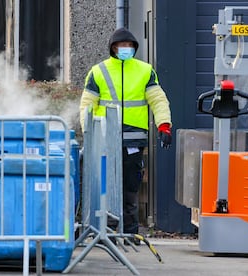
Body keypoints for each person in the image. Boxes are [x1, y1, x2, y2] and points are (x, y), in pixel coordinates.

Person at [79, 27, 172, 245]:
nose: (125, 49)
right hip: (104, 138)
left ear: (135, 48)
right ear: (112, 48)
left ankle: (130, 233)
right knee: (104, 186)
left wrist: (164, 125)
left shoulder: (145, 70)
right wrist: (88, 133)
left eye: (129, 46)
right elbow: (87, 105)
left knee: (131, 186)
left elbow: (158, 99)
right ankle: (106, 232)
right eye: (121, 46)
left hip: (133, 139)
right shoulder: (98, 71)